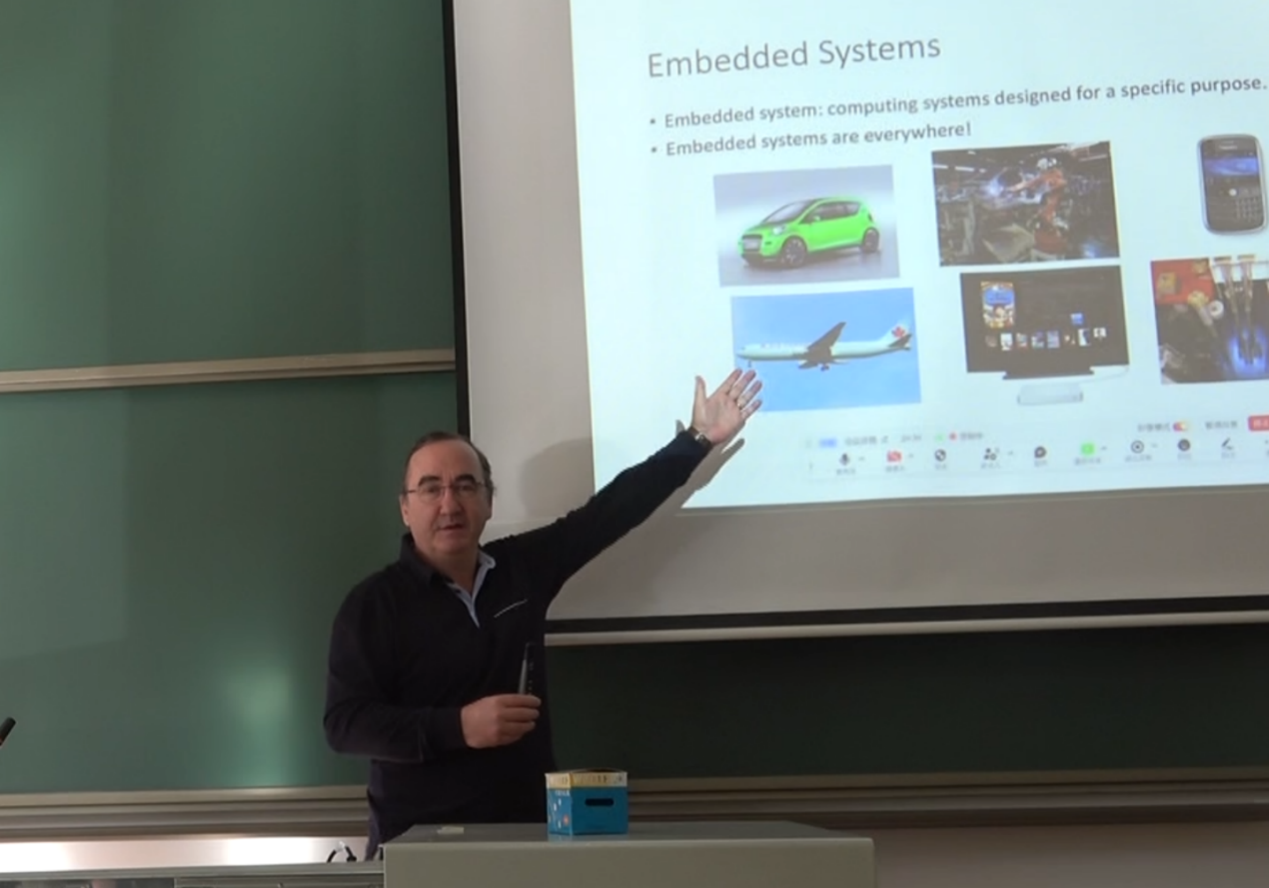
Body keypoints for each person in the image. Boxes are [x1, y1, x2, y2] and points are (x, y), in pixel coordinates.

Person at [322, 369, 763, 857]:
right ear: (405, 508)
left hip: (527, 840)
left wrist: (698, 439)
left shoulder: (522, 569)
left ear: (489, 501)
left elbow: (611, 512)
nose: (450, 504)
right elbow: (344, 724)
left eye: (466, 486)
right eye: (430, 488)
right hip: (417, 849)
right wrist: (459, 727)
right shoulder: (373, 604)